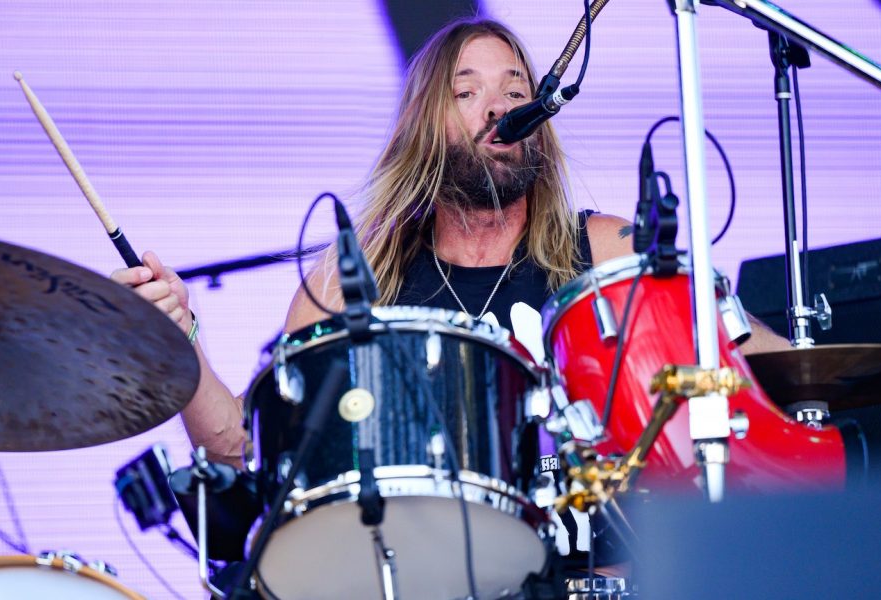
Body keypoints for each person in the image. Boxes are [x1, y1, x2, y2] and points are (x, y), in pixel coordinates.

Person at [111, 17, 788, 470]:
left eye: (514, 90)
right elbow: (249, 454)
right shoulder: (358, 277)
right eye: (467, 93)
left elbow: (767, 365)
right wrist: (178, 338)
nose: (497, 106)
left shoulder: (606, 248)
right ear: (423, 127)